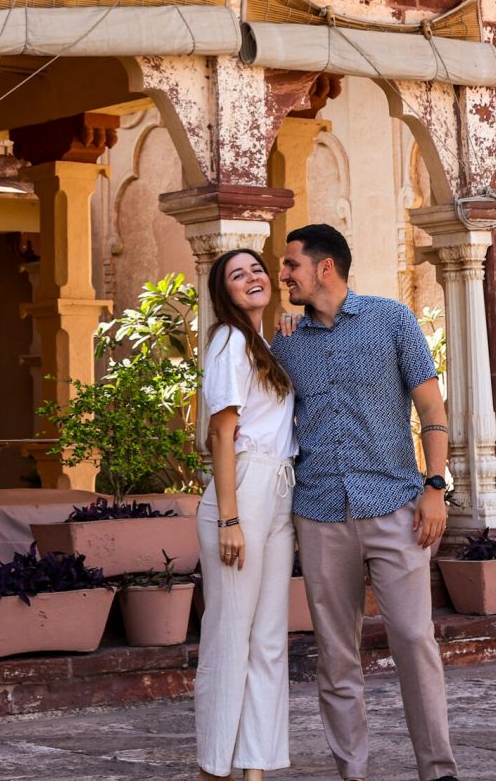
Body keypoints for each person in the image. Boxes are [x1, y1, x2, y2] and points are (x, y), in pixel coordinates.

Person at [272, 222, 459, 781]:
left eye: (291, 266)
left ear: (324, 267)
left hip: (396, 508)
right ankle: (352, 771)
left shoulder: (392, 320)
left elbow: (431, 410)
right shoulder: (286, 340)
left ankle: (438, 770)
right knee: (335, 654)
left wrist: (435, 487)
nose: (283, 276)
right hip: (321, 512)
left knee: (413, 639)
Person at [195, 246, 298, 781]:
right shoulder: (229, 342)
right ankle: (214, 768)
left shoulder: (261, 344)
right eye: (238, 275)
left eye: (256, 268)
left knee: (269, 638)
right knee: (230, 635)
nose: (253, 277)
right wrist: (229, 520)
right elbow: (222, 432)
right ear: (225, 294)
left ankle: (254, 767)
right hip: (244, 487)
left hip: (279, 486)